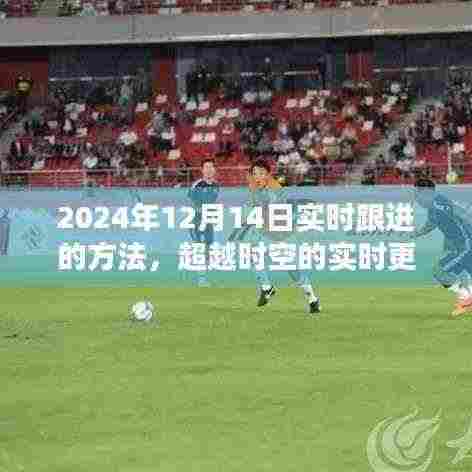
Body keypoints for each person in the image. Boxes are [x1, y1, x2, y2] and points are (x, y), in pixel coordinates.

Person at [236, 159, 321, 314]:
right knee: (255, 254)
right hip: (269, 234)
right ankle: (267, 287)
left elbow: (272, 208)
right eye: (255, 173)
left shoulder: (275, 189)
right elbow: (253, 207)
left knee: (292, 269)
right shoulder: (257, 190)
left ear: (268, 174)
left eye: (261, 173)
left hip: (283, 234)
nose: (257, 176)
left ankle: (312, 298)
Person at [410, 178, 472, 317]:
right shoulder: (432, 208)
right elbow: (431, 224)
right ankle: (465, 300)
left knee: (439, 271)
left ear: (426, 192)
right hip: (461, 246)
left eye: (417, 193)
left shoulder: (440, 204)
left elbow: (462, 213)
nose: (415, 198)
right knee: (460, 274)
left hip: (467, 245)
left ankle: (466, 298)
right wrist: (417, 233)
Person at [187, 159, 220, 287]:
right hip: (196, 221)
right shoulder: (197, 185)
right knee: (199, 248)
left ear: (214, 170)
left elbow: (212, 202)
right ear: (202, 170)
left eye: (211, 167)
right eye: (206, 167)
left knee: (207, 249)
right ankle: (200, 278)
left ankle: (203, 276)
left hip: (208, 222)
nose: (209, 170)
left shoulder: (216, 185)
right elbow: (192, 203)